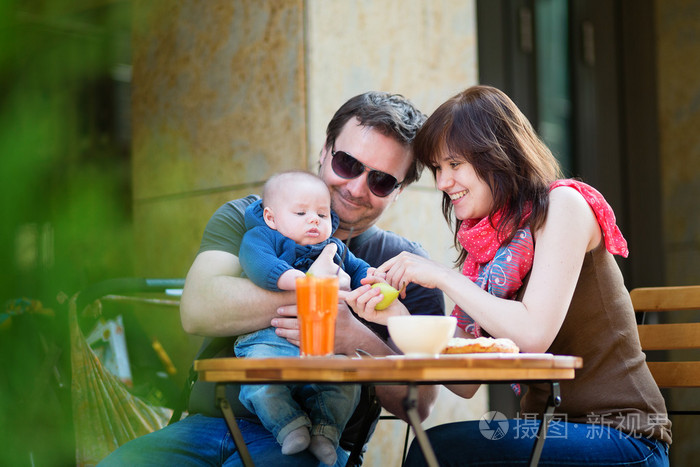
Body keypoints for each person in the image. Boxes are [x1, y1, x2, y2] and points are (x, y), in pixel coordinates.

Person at [99, 91, 445, 467]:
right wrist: (315, 293)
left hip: (314, 444)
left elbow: (420, 406)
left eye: (380, 180)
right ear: (325, 152)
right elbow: (198, 308)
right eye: (347, 164)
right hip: (205, 425)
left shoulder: (404, 266)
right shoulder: (252, 217)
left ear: (399, 192)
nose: (357, 187)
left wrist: (355, 339)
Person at [356, 85, 671, 466]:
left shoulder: (563, 205)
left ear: (498, 155)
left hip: (626, 437)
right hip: (547, 430)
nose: (441, 183)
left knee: (438, 449)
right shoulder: (491, 245)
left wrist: (443, 276)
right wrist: (396, 319)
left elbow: (533, 334)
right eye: (438, 169)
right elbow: (466, 382)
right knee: (434, 446)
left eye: (454, 165)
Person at [236, 170, 383, 465]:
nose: (314, 220)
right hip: (269, 339)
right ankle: (288, 426)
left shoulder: (335, 247)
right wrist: (303, 282)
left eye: (322, 213)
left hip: (320, 346)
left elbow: (357, 269)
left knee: (345, 379)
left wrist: (374, 278)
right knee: (259, 378)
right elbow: (259, 264)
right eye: (301, 212)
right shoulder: (262, 236)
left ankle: (325, 434)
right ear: (271, 218)